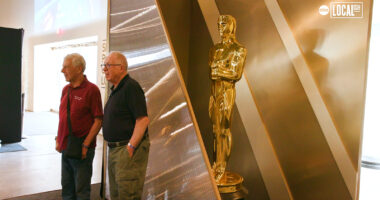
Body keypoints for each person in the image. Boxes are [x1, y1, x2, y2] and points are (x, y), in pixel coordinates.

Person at [102, 52, 150, 200]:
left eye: (108, 65)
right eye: (104, 66)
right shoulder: (117, 89)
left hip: (125, 150)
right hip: (115, 150)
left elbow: (142, 120)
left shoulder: (131, 87)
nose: (105, 69)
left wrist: (130, 147)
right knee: (117, 194)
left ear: (121, 67)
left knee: (128, 194)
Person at [56, 53, 103, 200]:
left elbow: (98, 120)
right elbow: (63, 117)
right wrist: (58, 138)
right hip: (66, 147)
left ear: (79, 68)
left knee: (81, 191)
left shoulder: (92, 90)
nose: (62, 70)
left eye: (66, 67)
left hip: (82, 149)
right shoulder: (66, 90)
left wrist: (85, 145)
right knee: (67, 188)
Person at [208, 15, 247, 184]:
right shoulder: (214, 49)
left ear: (231, 25)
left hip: (226, 93)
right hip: (215, 93)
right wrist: (220, 70)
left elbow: (235, 74)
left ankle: (222, 167)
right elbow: (212, 71)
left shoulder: (239, 50)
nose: (220, 26)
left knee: (224, 130)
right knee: (215, 131)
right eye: (218, 23)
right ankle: (216, 165)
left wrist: (219, 70)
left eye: (223, 23)